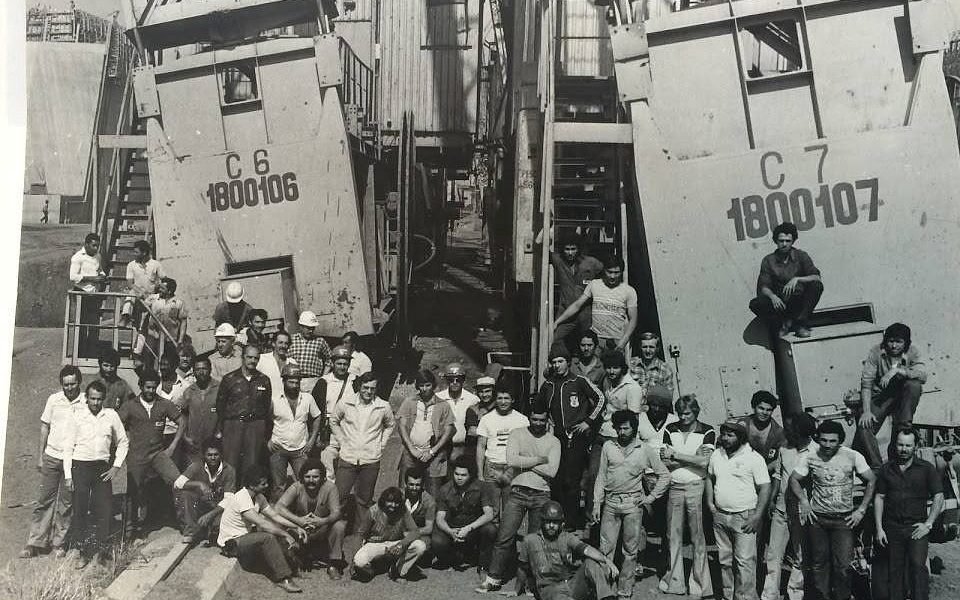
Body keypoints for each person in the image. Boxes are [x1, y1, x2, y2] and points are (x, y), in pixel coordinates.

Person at [477, 403, 561, 592]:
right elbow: (512, 460)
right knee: (504, 536)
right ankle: (494, 578)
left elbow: (552, 471)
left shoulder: (554, 441)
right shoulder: (517, 434)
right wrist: (540, 459)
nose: (538, 423)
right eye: (534, 419)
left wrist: (525, 461)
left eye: (542, 420)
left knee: (535, 541)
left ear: (547, 421)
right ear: (529, 418)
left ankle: (532, 582)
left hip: (541, 494)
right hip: (517, 491)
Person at [789, 420, 876, 600]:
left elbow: (872, 479)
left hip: (843, 520)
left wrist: (861, 510)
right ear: (818, 439)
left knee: (843, 565)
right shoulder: (810, 457)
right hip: (818, 520)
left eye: (832, 441)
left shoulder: (852, 456)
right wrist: (804, 501)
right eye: (824, 440)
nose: (827, 445)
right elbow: (793, 480)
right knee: (819, 564)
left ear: (840, 441)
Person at [592, 410, 670, 598]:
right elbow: (601, 477)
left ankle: (625, 589)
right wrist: (596, 503)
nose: (621, 432)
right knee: (606, 549)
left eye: (625, 428)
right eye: (618, 428)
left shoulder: (644, 449)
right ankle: (606, 589)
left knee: (630, 551)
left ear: (634, 429)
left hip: (632, 505)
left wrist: (650, 498)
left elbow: (664, 475)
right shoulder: (609, 447)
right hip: (610, 504)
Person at [117, 368, 202, 537]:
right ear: (141, 386)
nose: (150, 391)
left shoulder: (163, 403)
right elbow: (116, 425)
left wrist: (172, 446)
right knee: (133, 491)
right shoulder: (130, 405)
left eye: (153, 387)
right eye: (147, 387)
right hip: (137, 455)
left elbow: (182, 421)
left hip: (158, 453)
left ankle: (187, 527)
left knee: (179, 482)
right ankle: (128, 533)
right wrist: (123, 446)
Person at [19, 365, 86, 559]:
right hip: (51, 456)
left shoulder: (85, 402)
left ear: (79, 383)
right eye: (66, 384)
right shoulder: (53, 400)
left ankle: (59, 543)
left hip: (72, 461)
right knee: (44, 501)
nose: (70, 388)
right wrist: (40, 456)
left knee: (66, 504)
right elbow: (44, 427)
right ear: (61, 385)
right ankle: (35, 542)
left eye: (73, 384)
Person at [535, 347, 604, 530]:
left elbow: (600, 398)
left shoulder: (578, 381)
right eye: (554, 362)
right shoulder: (548, 385)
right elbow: (538, 407)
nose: (557, 365)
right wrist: (545, 423)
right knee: (556, 478)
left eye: (560, 361)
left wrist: (588, 421)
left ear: (567, 362)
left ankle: (573, 521)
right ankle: (557, 518)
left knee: (572, 480)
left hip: (576, 436)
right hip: (556, 437)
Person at [61, 381, 128, 565]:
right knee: (80, 509)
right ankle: (82, 552)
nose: (96, 403)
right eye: (92, 398)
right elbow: (67, 446)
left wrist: (116, 466)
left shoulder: (111, 415)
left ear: (104, 398)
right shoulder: (77, 415)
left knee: (104, 509)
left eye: (99, 399)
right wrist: (68, 476)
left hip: (101, 469)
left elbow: (123, 442)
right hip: (80, 466)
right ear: (86, 398)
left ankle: (100, 552)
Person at [873, 427, 944, 600]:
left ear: (915, 446)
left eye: (908, 445)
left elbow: (939, 496)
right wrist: (879, 528)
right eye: (900, 445)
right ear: (895, 445)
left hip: (916, 528)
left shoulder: (926, 469)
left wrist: (928, 524)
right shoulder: (886, 469)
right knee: (894, 571)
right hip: (892, 528)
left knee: (918, 567)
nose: (904, 449)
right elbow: (879, 497)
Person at [705, 420, 772, 600]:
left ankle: (746, 597)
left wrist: (757, 516)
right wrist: (710, 504)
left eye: (730, 435)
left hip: (744, 517)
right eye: (724, 434)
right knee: (725, 560)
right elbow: (710, 478)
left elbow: (765, 487)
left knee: (744, 562)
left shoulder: (754, 458)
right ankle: (729, 596)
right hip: (720, 516)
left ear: (741, 437)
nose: (725, 438)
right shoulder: (717, 455)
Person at [659, 395, 715, 598]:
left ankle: (700, 586)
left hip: (696, 487)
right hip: (674, 487)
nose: (683, 417)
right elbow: (664, 462)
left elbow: (704, 463)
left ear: (696, 412)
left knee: (697, 537)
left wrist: (676, 455)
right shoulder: (669, 429)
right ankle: (675, 583)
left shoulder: (707, 430)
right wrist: (692, 458)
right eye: (680, 413)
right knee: (672, 536)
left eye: (688, 413)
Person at [217, 465, 305, 593]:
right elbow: (262, 524)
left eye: (266, 482)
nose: (267, 485)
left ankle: (291, 567)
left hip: (244, 538)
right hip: (231, 543)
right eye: (263, 484)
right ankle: (283, 579)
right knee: (268, 536)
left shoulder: (259, 497)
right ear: (252, 485)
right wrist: (286, 534)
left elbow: (274, 515)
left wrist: (296, 526)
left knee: (276, 529)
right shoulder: (242, 497)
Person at [761, 412, 817, 600]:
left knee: (800, 556)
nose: (787, 433)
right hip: (781, 509)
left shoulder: (816, 452)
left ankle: (795, 593)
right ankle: (770, 594)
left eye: (792, 430)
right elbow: (778, 474)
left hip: (801, 513)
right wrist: (772, 499)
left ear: (802, 433)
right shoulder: (785, 448)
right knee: (773, 554)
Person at [512, 501, 619, 600]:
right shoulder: (530, 540)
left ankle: (607, 597)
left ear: (561, 524)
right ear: (542, 522)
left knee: (591, 562)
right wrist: (516, 590)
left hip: (571, 583)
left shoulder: (567, 537)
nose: (551, 526)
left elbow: (586, 549)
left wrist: (606, 560)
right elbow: (523, 567)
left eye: (555, 522)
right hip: (549, 589)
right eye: (548, 522)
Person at [855, 322, 927, 466]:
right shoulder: (876, 352)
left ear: (906, 343)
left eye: (899, 342)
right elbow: (866, 383)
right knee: (864, 427)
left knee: (914, 385)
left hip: (903, 397)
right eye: (891, 341)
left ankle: (903, 432)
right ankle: (877, 468)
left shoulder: (913, 351)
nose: (894, 346)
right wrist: (867, 411)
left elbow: (922, 376)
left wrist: (897, 371)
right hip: (882, 396)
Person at [331, 371, 395, 531]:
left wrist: (381, 444)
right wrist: (342, 441)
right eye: (365, 387)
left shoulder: (382, 406)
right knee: (340, 496)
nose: (368, 391)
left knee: (364, 500)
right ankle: (335, 530)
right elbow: (334, 421)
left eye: (372, 388)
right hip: (348, 456)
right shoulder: (346, 403)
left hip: (370, 459)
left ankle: (360, 534)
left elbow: (390, 425)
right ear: (359, 386)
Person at [749, 222, 823, 338]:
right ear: (775, 241)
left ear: (793, 241)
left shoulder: (801, 256)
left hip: (798, 300)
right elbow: (764, 286)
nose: (784, 244)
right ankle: (783, 323)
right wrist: (773, 297)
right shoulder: (768, 260)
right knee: (755, 304)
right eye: (781, 241)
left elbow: (816, 277)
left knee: (816, 286)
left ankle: (800, 324)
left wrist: (797, 279)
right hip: (781, 302)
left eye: (788, 241)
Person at [275, 460, 347, 579]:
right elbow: (278, 507)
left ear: (323, 477)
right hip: (300, 529)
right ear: (302, 477)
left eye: (315, 477)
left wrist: (322, 521)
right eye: (307, 477)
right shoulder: (297, 486)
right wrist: (299, 520)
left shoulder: (330, 487)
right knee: (278, 521)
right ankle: (291, 558)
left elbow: (336, 512)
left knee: (339, 525)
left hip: (322, 528)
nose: (311, 480)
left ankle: (334, 564)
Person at [589, 350, 644, 504]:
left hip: (617, 439)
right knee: (593, 475)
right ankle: (592, 517)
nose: (611, 371)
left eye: (615, 368)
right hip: (601, 435)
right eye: (608, 367)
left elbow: (633, 420)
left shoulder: (632, 388)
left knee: (613, 478)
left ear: (623, 368)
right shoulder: (607, 381)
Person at [554, 255, 638, 353]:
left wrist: (624, 341)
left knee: (615, 368)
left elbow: (633, 319)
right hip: (596, 341)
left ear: (621, 272)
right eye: (609, 272)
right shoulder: (594, 284)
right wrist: (557, 322)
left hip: (617, 340)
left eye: (616, 273)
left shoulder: (629, 291)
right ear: (604, 270)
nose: (612, 276)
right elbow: (577, 305)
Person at [433, 456, 498, 581]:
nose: (459, 478)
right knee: (437, 541)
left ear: (471, 475)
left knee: (490, 530)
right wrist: (450, 532)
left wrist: (468, 528)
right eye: (456, 474)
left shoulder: (481, 487)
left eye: (463, 475)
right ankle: (452, 558)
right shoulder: (445, 489)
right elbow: (440, 518)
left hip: (473, 528)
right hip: (453, 528)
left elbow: (489, 514)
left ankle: (483, 566)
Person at [216, 344, 272, 481]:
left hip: (255, 425)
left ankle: (246, 497)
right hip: (233, 425)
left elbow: (266, 406)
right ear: (242, 357)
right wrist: (222, 428)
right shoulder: (229, 379)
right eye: (249, 357)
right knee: (230, 463)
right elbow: (220, 405)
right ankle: (228, 496)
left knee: (251, 464)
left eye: (256, 358)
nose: (253, 361)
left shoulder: (264, 380)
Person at [397, 369, 456, 494]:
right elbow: (401, 425)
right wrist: (412, 449)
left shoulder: (443, 405)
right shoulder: (410, 402)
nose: (424, 389)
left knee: (432, 492)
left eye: (428, 385)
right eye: (421, 385)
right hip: (411, 453)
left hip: (433, 454)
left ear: (433, 385)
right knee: (404, 489)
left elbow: (449, 430)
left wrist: (432, 452)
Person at [351, 487, 429, 581]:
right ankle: (376, 568)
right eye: (390, 502)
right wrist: (354, 558)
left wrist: (401, 544)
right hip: (375, 543)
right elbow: (360, 534)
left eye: (396, 502)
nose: (393, 505)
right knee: (360, 562)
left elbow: (415, 531)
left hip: (395, 543)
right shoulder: (373, 511)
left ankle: (397, 571)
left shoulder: (402, 510)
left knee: (420, 546)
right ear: (384, 501)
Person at [269, 363, 322, 501]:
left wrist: (311, 439)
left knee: (304, 483)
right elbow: (266, 421)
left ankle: (302, 513)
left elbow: (317, 417)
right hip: (279, 448)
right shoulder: (274, 400)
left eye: (297, 382)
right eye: (291, 382)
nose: (294, 385)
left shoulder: (308, 399)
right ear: (284, 381)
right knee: (278, 486)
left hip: (300, 449)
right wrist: (268, 440)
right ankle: (277, 516)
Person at [476, 388, 529, 516]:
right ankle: (492, 536)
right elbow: (481, 446)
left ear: (513, 400)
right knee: (491, 511)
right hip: (491, 467)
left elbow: (525, 448)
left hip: (512, 468)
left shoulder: (522, 420)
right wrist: (480, 473)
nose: (503, 402)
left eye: (506, 398)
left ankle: (507, 536)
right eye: (500, 398)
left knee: (510, 510)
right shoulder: (487, 419)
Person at [549, 235, 604, 354]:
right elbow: (539, 249)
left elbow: (607, 273)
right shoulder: (559, 260)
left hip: (586, 312)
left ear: (578, 249)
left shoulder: (590, 262)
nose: (570, 253)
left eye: (573, 249)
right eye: (567, 249)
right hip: (565, 312)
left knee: (590, 344)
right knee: (554, 339)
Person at [176, 439, 236, 543]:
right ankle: (190, 532)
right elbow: (177, 484)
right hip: (201, 505)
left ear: (221, 455)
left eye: (216, 454)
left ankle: (206, 529)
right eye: (209, 455)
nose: (213, 458)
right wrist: (199, 484)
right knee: (186, 494)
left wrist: (210, 515)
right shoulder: (197, 466)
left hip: (218, 508)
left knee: (220, 530)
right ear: (204, 455)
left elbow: (229, 499)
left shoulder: (229, 470)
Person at [314, 345, 356, 478]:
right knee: (328, 468)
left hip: (349, 430)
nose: (342, 367)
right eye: (339, 363)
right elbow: (316, 410)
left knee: (348, 469)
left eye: (345, 363)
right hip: (330, 432)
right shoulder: (324, 382)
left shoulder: (355, 381)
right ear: (332, 363)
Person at [69, 232, 107, 356]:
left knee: (94, 324)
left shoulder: (98, 256)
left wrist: (102, 276)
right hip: (81, 293)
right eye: (93, 245)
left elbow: (100, 270)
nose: (96, 248)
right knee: (82, 324)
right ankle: (80, 352)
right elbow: (73, 277)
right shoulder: (78, 257)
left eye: (98, 246)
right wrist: (93, 279)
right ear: (86, 244)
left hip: (94, 294)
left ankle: (92, 352)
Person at [437, 362, 481, 467]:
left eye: (458, 379)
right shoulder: (438, 398)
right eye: (451, 380)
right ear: (446, 381)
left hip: (464, 448)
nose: (455, 382)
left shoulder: (472, 399)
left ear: (464, 380)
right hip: (442, 448)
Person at [180, 356, 221, 465]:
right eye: (198, 369)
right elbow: (183, 416)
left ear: (210, 369)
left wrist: (220, 433)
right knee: (194, 473)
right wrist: (185, 436)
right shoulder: (189, 391)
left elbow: (225, 414)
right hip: (194, 443)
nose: (201, 372)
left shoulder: (220, 389)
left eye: (204, 369)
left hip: (213, 443)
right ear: (193, 371)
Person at [737, 391, 786, 474]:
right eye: (761, 408)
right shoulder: (742, 425)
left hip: (766, 474)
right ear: (754, 407)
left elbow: (780, 459)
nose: (764, 413)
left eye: (769, 410)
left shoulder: (778, 433)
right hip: (741, 472)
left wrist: (761, 473)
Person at [121, 240, 164, 328]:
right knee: (131, 293)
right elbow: (130, 284)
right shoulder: (131, 265)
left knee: (147, 326)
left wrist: (157, 285)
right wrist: (141, 292)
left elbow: (164, 280)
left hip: (151, 297)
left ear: (144, 253)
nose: (134, 254)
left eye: (136, 252)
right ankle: (125, 317)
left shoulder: (156, 264)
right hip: (138, 296)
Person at [144, 277, 189, 355]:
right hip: (154, 335)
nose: (160, 290)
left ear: (169, 291)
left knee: (168, 359)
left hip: (170, 338)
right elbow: (143, 307)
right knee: (149, 355)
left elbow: (183, 322)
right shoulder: (153, 299)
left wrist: (180, 340)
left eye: (162, 288)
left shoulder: (179, 303)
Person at [289, 311, 332, 393]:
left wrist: (324, 376)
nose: (311, 331)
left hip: (313, 381)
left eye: (313, 328)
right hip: (294, 379)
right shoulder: (291, 339)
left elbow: (330, 358)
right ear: (301, 326)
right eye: (308, 328)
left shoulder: (320, 341)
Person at [629, 332, 675, 398]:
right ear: (640, 347)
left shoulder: (665, 369)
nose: (648, 350)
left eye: (651, 347)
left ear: (657, 348)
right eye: (644, 347)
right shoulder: (631, 364)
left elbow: (669, 396)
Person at [402, 468, 437, 554]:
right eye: (411, 484)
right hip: (399, 531)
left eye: (417, 485)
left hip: (418, 533)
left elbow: (429, 528)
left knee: (424, 544)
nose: (414, 488)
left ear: (422, 485)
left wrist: (411, 534)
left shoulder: (429, 501)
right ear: (405, 484)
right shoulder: (398, 496)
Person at [465, 376, 498, 447]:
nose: (484, 395)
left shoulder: (501, 408)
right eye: (481, 392)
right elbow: (472, 431)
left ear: (494, 391)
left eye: (488, 391)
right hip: (478, 447)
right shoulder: (473, 409)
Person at [260, 330, 293, 395]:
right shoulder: (262, 359)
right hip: (267, 400)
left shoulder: (292, 362)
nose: (283, 346)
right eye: (280, 342)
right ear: (273, 343)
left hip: (286, 401)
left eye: (286, 343)